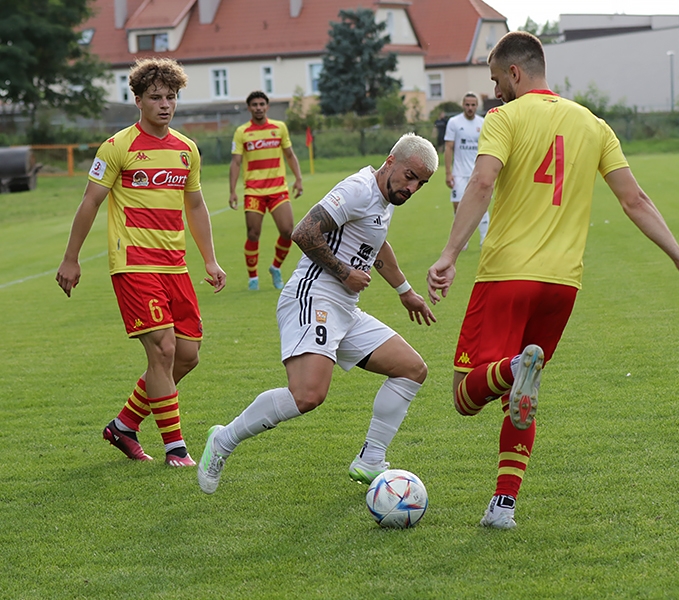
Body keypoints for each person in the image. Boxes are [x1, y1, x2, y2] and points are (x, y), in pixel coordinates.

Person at [426, 31, 679, 529]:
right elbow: (635, 200)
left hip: (506, 275)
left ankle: (509, 370)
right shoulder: (594, 124)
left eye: (496, 80)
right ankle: (503, 506)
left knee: (466, 396)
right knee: (519, 399)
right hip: (563, 285)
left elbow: (481, 181)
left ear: (515, 73)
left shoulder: (504, 117)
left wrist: (449, 253)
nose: (495, 91)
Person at [197, 133, 438, 494]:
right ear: (390, 161)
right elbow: (304, 231)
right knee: (307, 395)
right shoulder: (358, 189)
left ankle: (371, 460)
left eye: (421, 183)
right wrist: (344, 272)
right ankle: (222, 440)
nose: (413, 187)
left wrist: (407, 293)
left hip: (343, 307)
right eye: (409, 176)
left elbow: (377, 245)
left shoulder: (384, 201)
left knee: (412, 369)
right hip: (313, 296)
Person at [56, 57, 227, 467]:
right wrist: (71, 259)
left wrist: (211, 260)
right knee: (164, 350)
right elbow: (90, 202)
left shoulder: (187, 150)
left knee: (187, 355)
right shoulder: (117, 147)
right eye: (155, 97)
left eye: (171, 97)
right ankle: (176, 449)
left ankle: (124, 425)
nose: (165, 104)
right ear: (138, 100)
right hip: (133, 264)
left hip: (175, 265)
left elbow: (197, 205)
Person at [230, 91, 304, 290]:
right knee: (253, 234)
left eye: (262, 104)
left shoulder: (279, 128)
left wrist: (298, 178)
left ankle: (275, 267)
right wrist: (232, 191)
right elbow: (236, 162)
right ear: (249, 108)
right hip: (254, 191)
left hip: (278, 189)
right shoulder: (242, 132)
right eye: (254, 104)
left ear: (267, 106)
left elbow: (290, 155)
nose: (258, 107)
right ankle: (253, 278)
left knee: (288, 231)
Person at [445, 93, 490, 249]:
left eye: (473, 105)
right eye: (467, 105)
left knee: (481, 204)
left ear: (477, 106)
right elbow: (449, 147)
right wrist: (448, 173)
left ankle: (485, 238)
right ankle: (461, 240)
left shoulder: (483, 123)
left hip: (477, 172)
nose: (470, 108)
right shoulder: (454, 122)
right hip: (459, 173)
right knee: (458, 206)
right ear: (463, 105)